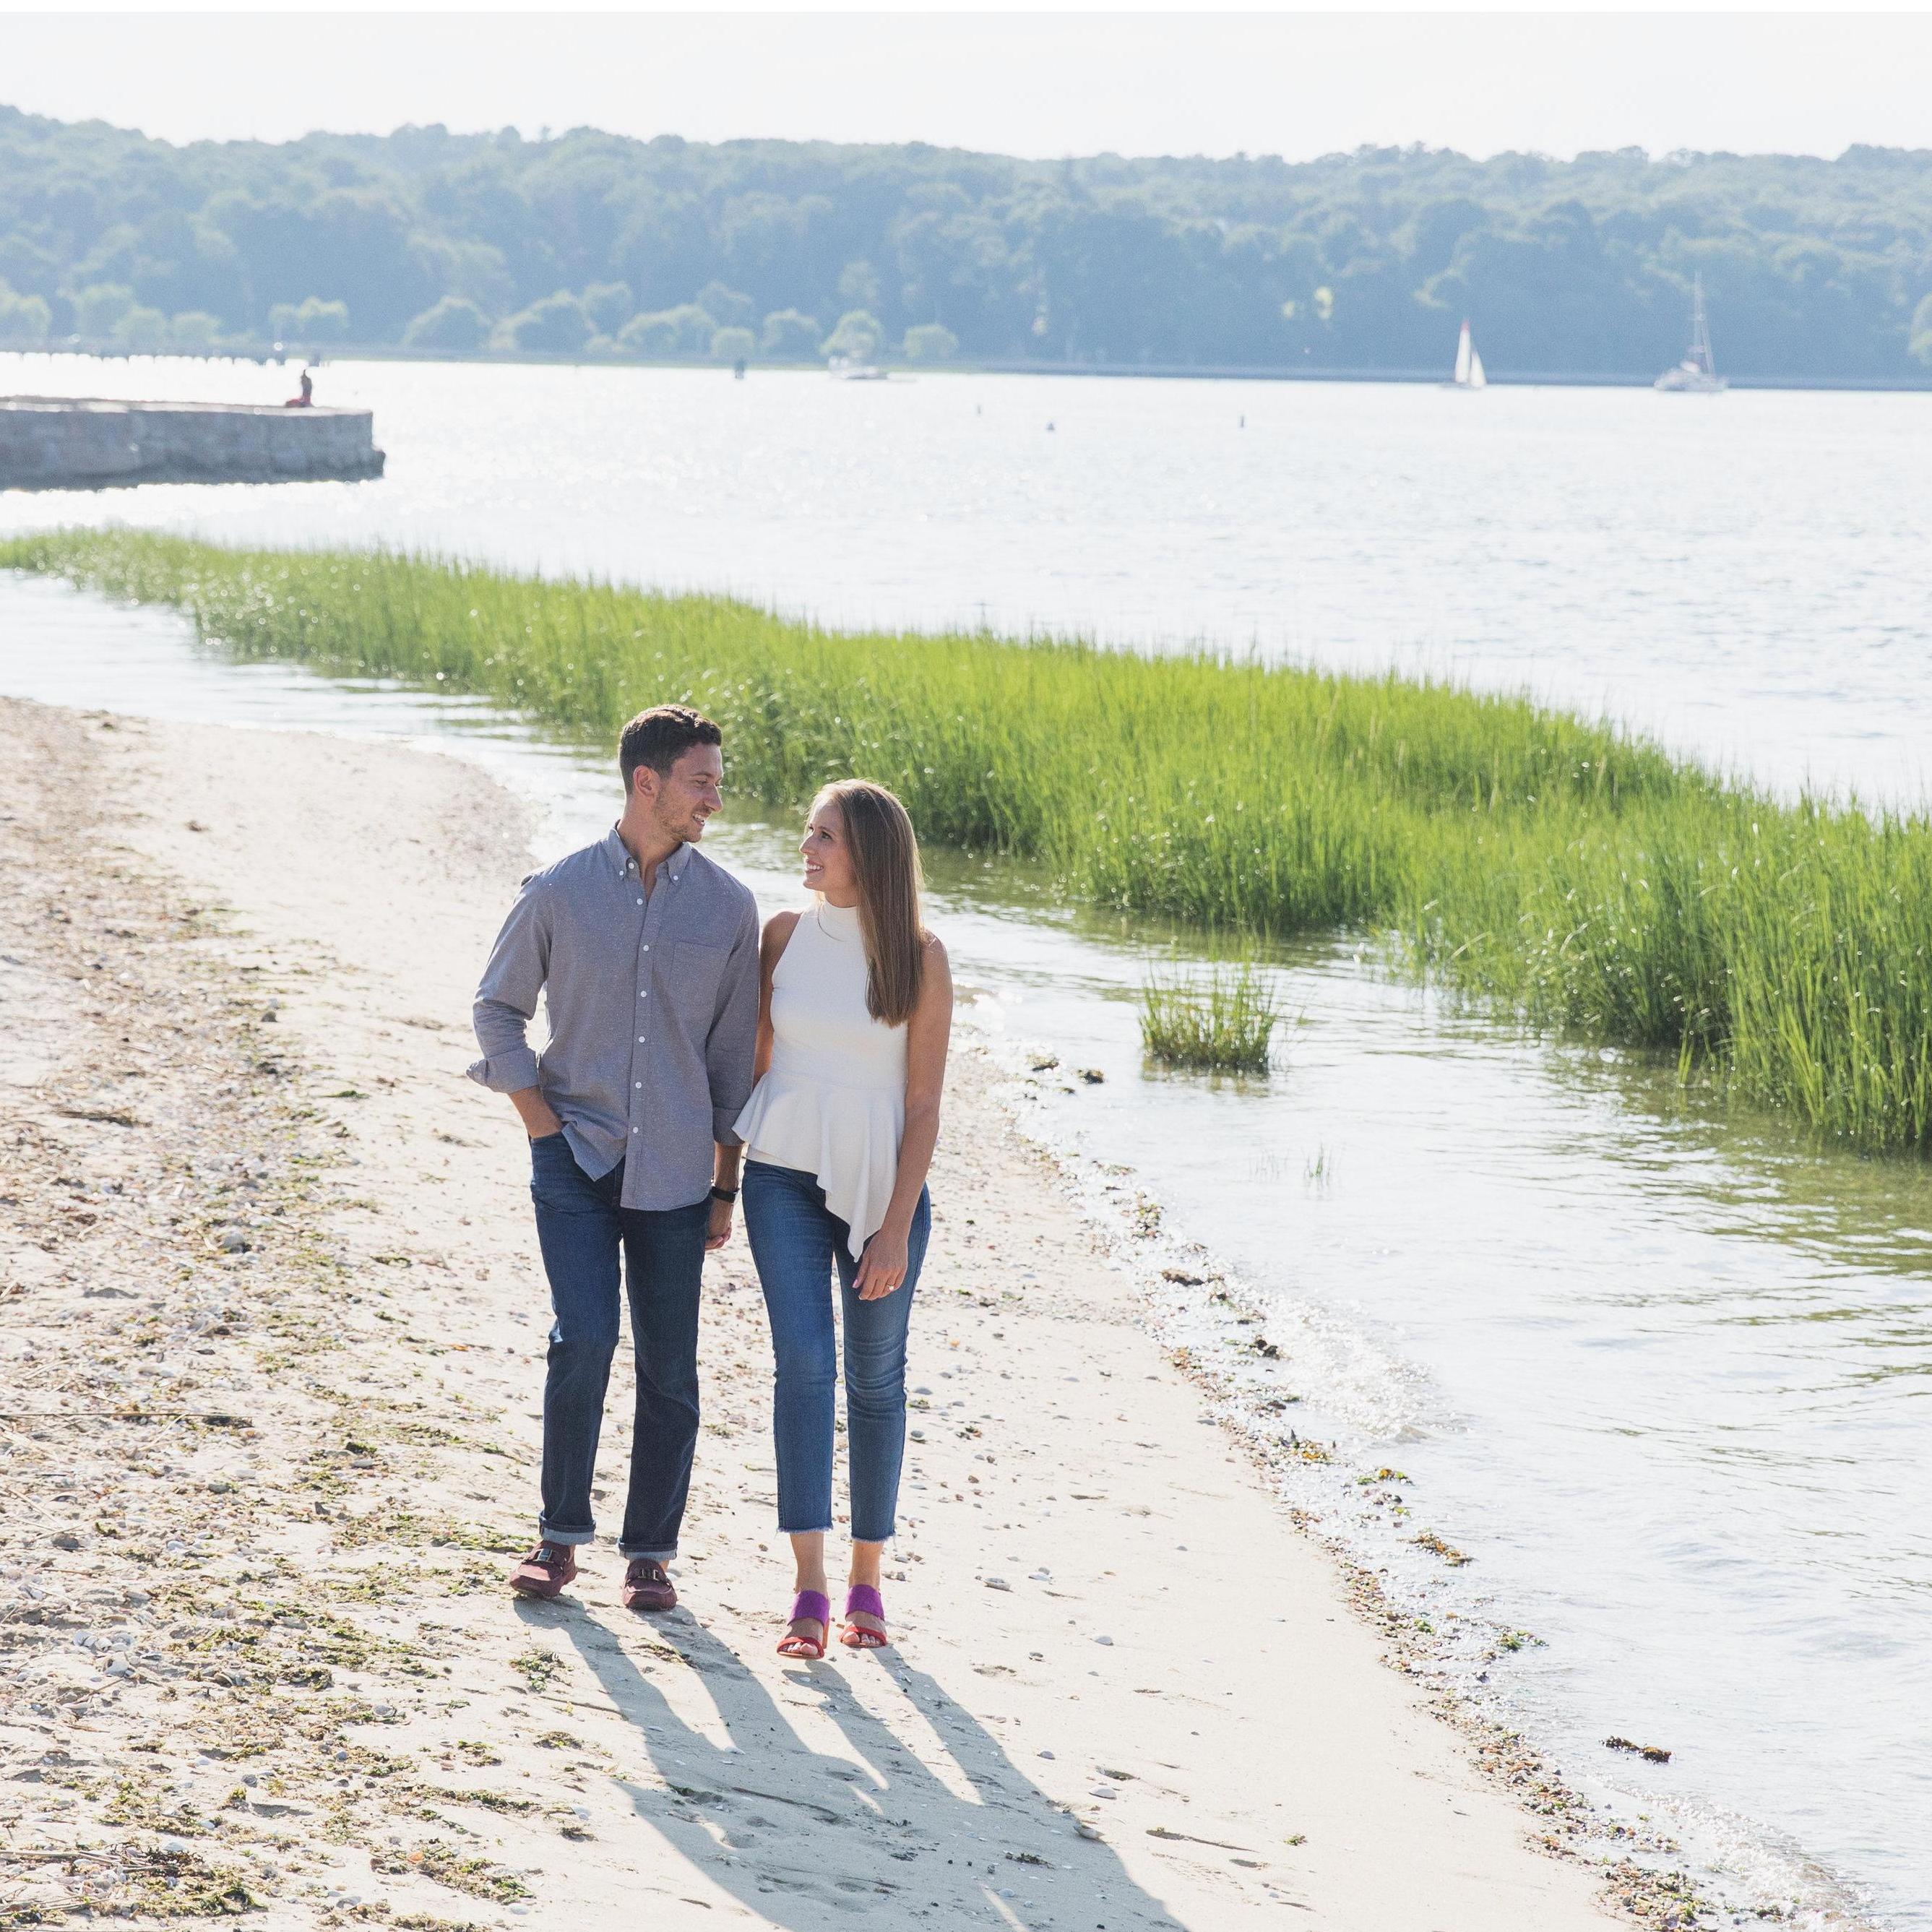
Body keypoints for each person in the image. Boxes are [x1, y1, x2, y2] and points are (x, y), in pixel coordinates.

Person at [469, 705, 759, 1612]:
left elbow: (731, 1058)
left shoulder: (729, 907)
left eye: (714, 779)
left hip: (677, 1169)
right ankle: (558, 1541)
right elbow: (496, 1010)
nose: (714, 796)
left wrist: (725, 1186)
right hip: (575, 1157)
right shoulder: (557, 890)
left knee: (671, 1366)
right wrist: (538, 1125)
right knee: (583, 1338)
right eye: (701, 780)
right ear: (648, 781)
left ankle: (651, 1553)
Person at [733, 780, 952, 1657]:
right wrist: (722, 1179)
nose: (807, 847)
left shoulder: (920, 956)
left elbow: (926, 1103)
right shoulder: (782, 935)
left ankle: (868, 1574)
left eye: (824, 836)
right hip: (780, 1172)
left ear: (867, 852)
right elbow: (757, 1059)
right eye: (809, 832)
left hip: (882, 1192)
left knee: (875, 1379)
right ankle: (809, 1587)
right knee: (803, 1365)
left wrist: (896, 1226)